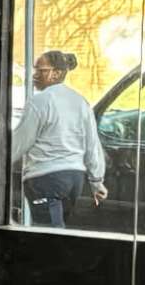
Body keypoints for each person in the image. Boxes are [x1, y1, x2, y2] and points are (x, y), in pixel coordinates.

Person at [11, 50, 104, 227]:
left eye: (41, 70)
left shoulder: (39, 102)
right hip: (75, 179)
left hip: (45, 178)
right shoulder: (80, 102)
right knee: (59, 231)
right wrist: (96, 180)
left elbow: (20, 143)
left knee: (49, 235)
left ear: (57, 73)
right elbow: (92, 144)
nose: (35, 75)